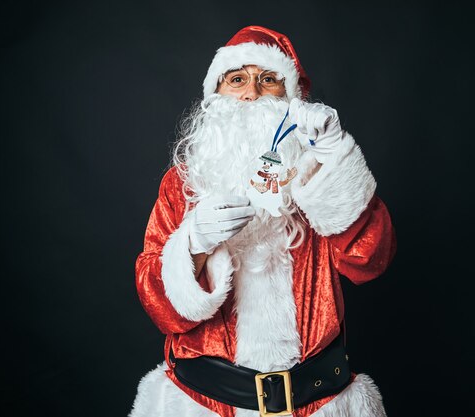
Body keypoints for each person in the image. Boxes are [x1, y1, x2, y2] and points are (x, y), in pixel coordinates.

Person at [129, 26, 396, 417]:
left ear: (291, 99)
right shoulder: (182, 184)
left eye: (268, 80)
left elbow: (371, 261)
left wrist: (337, 158)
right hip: (204, 405)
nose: (251, 92)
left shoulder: (317, 172)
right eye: (237, 79)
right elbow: (159, 306)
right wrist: (194, 245)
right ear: (216, 96)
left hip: (317, 403)